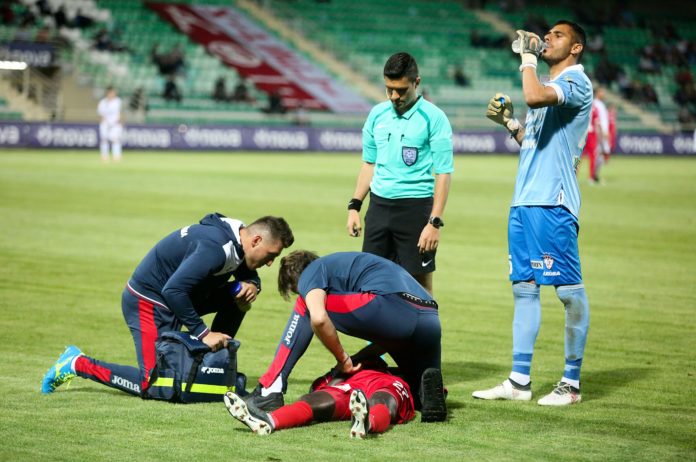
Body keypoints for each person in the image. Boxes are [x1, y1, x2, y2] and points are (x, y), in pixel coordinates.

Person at [41, 214, 294, 397]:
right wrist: (203, 333)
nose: (270, 263)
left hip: (181, 298)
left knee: (239, 294)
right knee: (152, 384)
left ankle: (213, 367)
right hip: (148, 301)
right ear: (256, 240)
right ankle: (75, 363)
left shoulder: (236, 238)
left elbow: (240, 267)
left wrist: (253, 284)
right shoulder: (216, 247)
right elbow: (172, 290)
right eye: (271, 255)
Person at [475, 20, 592, 406]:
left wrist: (527, 58)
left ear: (575, 47)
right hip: (523, 204)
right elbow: (534, 142)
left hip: (552, 204)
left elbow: (534, 95)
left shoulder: (575, 81)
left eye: (558, 35)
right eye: (547, 35)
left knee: (569, 293)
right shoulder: (550, 87)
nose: (548, 39)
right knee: (524, 289)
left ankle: (571, 385)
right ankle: (519, 381)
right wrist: (510, 124)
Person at [243, 250, 447, 422]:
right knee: (422, 384)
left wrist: (344, 359)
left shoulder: (312, 270)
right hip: (429, 318)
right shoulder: (351, 268)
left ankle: (270, 388)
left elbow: (319, 319)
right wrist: (358, 358)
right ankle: (424, 394)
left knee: (308, 305)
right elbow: (388, 339)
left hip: (390, 305)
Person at [346, 52, 453, 295]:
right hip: (378, 207)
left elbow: (443, 173)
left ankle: (424, 323)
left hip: (415, 209)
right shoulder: (377, 115)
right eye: (389, 89)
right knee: (370, 283)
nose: (394, 96)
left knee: (419, 287)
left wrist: (434, 223)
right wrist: (354, 206)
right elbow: (369, 164)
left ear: (417, 82)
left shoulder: (434, 118)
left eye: (401, 90)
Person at [224, 353, 415, 438]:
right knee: (316, 400)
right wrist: (338, 372)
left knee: (383, 399)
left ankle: (367, 422)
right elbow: (317, 388)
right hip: (351, 385)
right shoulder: (343, 372)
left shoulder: (394, 377)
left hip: (385, 382)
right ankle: (270, 420)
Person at [97, 86, 123, 163]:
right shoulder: (102, 102)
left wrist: (119, 121)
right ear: (107, 93)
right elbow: (101, 114)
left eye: (113, 93)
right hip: (105, 123)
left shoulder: (118, 101)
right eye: (111, 93)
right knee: (104, 140)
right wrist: (105, 122)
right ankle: (104, 156)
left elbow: (120, 112)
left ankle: (116, 156)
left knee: (115, 140)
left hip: (115, 124)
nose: (112, 94)